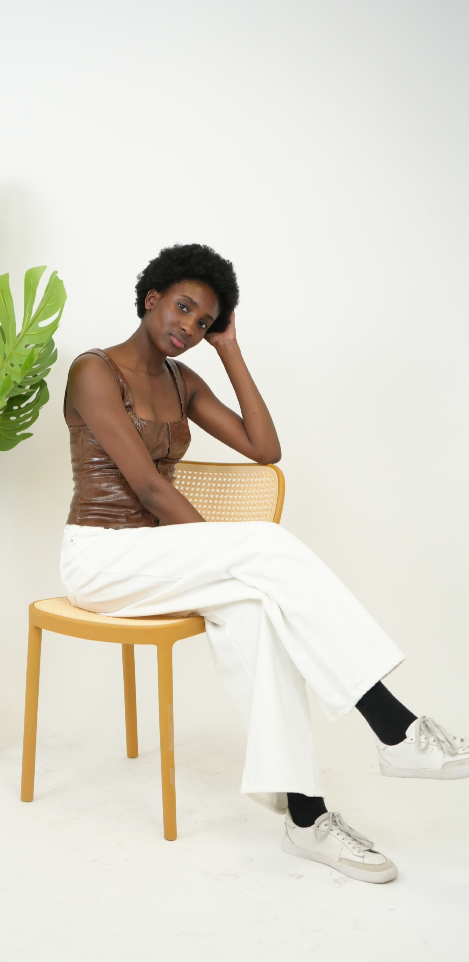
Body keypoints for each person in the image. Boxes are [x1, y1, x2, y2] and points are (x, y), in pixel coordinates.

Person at [60, 243, 468, 884]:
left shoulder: (183, 381)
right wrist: (226, 555)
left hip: (163, 562)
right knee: (263, 548)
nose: (189, 327)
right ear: (151, 297)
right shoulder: (94, 370)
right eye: (183, 308)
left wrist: (229, 350)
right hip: (102, 560)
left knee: (258, 612)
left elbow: (264, 447)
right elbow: (150, 490)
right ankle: (396, 728)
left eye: (203, 322)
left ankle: (307, 818)